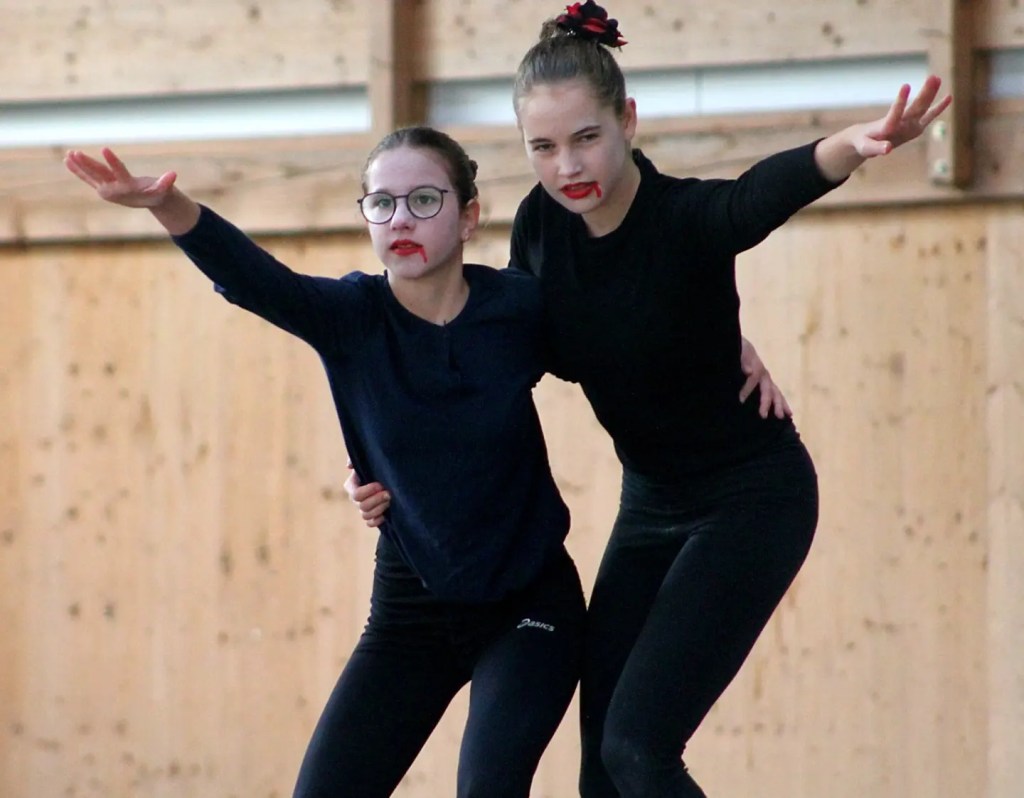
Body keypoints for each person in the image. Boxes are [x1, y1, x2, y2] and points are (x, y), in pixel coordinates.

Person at [348, 3, 953, 797]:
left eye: (586, 137)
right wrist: (384, 460)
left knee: (637, 746)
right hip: (651, 506)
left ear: (627, 120)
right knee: (602, 770)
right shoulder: (540, 228)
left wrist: (850, 146)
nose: (568, 166)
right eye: (543, 147)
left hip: (751, 500)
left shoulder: (684, 221)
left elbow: (756, 195)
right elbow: (495, 357)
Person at [63, 127, 589, 798]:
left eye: (425, 200)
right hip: (413, 607)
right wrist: (167, 204)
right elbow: (256, 279)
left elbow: (620, 350)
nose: (401, 219)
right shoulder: (350, 316)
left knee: (488, 786)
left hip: (528, 602)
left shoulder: (517, 309)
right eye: (382, 203)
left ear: (469, 217)